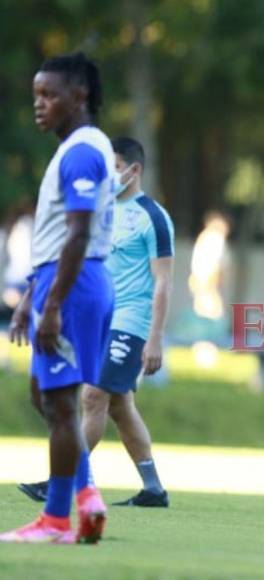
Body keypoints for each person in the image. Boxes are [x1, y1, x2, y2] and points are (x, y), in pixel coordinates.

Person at [18, 137, 174, 508]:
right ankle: (153, 489)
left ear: (134, 170)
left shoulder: (153, 216)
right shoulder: (100, 210)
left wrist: (155, 339)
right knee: (119, 405)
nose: (109, 175)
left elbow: (164, 281)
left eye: (115, 167)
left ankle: (63, 477)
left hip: (132, 320)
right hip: (100, 317)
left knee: (92, 396)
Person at [0, 52, 115, 544]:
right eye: (35, 96)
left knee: (61, 403)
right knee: (45, 396)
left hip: (75, 283)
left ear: (80, 95)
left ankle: (56, 519)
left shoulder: (82, 153)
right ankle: (85, 497)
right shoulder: (77, 148)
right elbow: (58, 237)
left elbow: (78, 234)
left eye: (49, 95)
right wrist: (32, 294)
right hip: (63, 280)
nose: (39, 105)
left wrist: (52, 305)